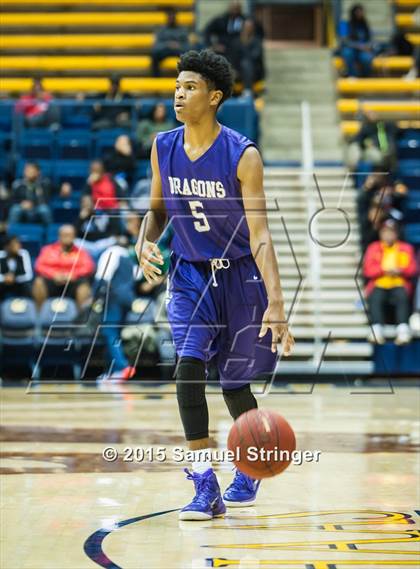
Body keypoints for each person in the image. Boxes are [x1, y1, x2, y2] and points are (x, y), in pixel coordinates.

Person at [135, 50, 294, 520]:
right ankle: (205, 485)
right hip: (189, 275)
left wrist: (277, 304)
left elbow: (261, 234)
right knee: (187, 370)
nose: (179, 94)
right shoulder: (163, 145)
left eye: (189, 87)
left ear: (215, 96)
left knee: (233, 384)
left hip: (241, 276)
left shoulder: (243, 156)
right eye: (177, 86)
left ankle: (250, 464)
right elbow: (158, 210)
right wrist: (144, 242)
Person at [363, 220, 417, 345]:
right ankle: (376, 328)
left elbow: (413, 268)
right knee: (375, 296)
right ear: (381, 233)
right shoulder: (373, 248)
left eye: (391, 232)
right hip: (379, 283)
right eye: (385, 232)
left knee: (401, 295)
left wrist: (400, 270)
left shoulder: (405, 248)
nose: (388, 235)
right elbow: (368, 270)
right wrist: (384, 270)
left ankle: (403, 328)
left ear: (396, 234)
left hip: (399, 283)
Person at [94, 237, 137, 382]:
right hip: (129, 298)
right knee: (115, 334)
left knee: (109, 332)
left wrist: (95, 296)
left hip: (114, 297)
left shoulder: (111, 252)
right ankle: (111, 372)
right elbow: (138, 276)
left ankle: (121, 367)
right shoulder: (129, 257)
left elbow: (103, 276)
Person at [33, 224, 94, 309]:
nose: (67, 238)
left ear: (74, 237)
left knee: (84, 286)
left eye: (70, 235)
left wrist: (73, 275)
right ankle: (40, 316)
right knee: (38, 282)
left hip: (73, 282)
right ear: (59, 236)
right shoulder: (48, 250)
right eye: (65, 235)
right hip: (52, 281)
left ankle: (81, 318)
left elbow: (88, 267)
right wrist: (54, 274)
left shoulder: (81, 252)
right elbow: (39, 266)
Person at [229, 18, 265, 96]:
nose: (248, 29)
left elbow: (255, 57)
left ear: (253, 29)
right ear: (242, 28)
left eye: (250, 27)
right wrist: (234, 69)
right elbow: (232, 57)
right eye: (246, 27)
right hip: (238, 70)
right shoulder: (236, 41)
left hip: (254, 70)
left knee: (246, 63)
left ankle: (247, 90)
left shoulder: (256, 41)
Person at [150, 8, 189, 77]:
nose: (171, 19)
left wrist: (179, 45)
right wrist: (167, 44)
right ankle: (156, 77)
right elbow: (156, 46)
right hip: (166, 50)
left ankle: (187, 76)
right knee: (154, 55)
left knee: (189, 56)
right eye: (170, 17)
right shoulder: (161, 30)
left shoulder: (182, 30)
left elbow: (187, 45)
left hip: (179, 50)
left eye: (173, 17)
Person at [340, 4, 375, 77]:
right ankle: (352, 75)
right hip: (351, 48)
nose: (360, 14)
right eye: (358, 12)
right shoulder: (344, 24)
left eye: (361, 12)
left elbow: (370, 39)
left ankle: (366, 77)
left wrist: (368, 46)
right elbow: (344, 41)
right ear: (353, 13)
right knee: (347, 53)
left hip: (363, 50)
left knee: (367, 58)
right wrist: (359, 46)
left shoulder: (365, 24)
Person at [0, 235, 33, 300]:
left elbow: (29, 275)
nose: (19, 245)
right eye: (15, 243)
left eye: (19, 243)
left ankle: (28, 307)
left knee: (28, 286)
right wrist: (5, 278)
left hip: (19, 283)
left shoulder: (23, 253)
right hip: (4, 283)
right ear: (7, 246)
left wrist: (15, 278)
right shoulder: (1, 255)